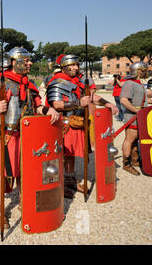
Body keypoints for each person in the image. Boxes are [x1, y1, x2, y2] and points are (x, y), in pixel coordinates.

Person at [0, 47, 60, 228]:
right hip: (9, 134)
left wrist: (48, 109)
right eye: (26, 61)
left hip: (29, 135)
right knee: (3, 172)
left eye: (29, 60)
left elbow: (36, 107)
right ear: (14, 62)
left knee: (26, 170)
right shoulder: (1, 82)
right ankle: (0, 209)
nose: (30, 63)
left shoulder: (29, 85)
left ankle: (24, 200)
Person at [46, 54, 119, 198]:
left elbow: (90, 97)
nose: (75, 67)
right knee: (61, 156)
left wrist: (107, 103)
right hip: (64, 124)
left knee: (71, 155)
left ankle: (70, 179)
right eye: (72, 65)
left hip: (77, 123)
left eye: (77, 65)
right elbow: (56, 104)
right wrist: (79, 103)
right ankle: (58, 184)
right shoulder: (57, 82)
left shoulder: (79, 81)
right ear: (64, 67)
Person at [120, 62, 150, 175]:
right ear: (139, 71)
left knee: (136, 139)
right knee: (130, 139)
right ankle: (126, 163)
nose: (146, 72)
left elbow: (143, 99)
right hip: (132, 116)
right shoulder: (129, 83)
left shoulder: (139, 83)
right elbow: (123, 100)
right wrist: (138, 111)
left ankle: (135, 159)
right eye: (144, 70)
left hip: (139, 115)